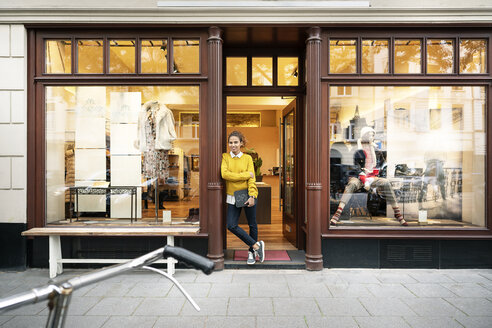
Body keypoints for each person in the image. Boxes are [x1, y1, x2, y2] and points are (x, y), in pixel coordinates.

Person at [330, 126, 408, 226]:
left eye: (373, 135)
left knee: (386, 183)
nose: (372, 137)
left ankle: (397, 213)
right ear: (365, 136)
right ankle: (338, 212)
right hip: (358, 177)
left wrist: (378, 172)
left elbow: (381, 164)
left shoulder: (376, 150)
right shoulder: (356, 149)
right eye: (370, 135)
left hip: (371, 177)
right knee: (352, 184)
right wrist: (361, 172)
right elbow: (352, 165)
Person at [221, 131, 265, 265]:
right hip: (233, 197)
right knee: (231, 225)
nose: (233, 145)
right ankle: (256, 246)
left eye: (235, 142)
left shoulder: (247, 159)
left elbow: (251, 180)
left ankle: (251, 253)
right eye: (230, 142)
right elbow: (225, 174)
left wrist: (252, 196)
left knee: (252, 224)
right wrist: (245, 174)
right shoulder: (225, 157)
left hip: (247, 194)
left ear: (241, 143)